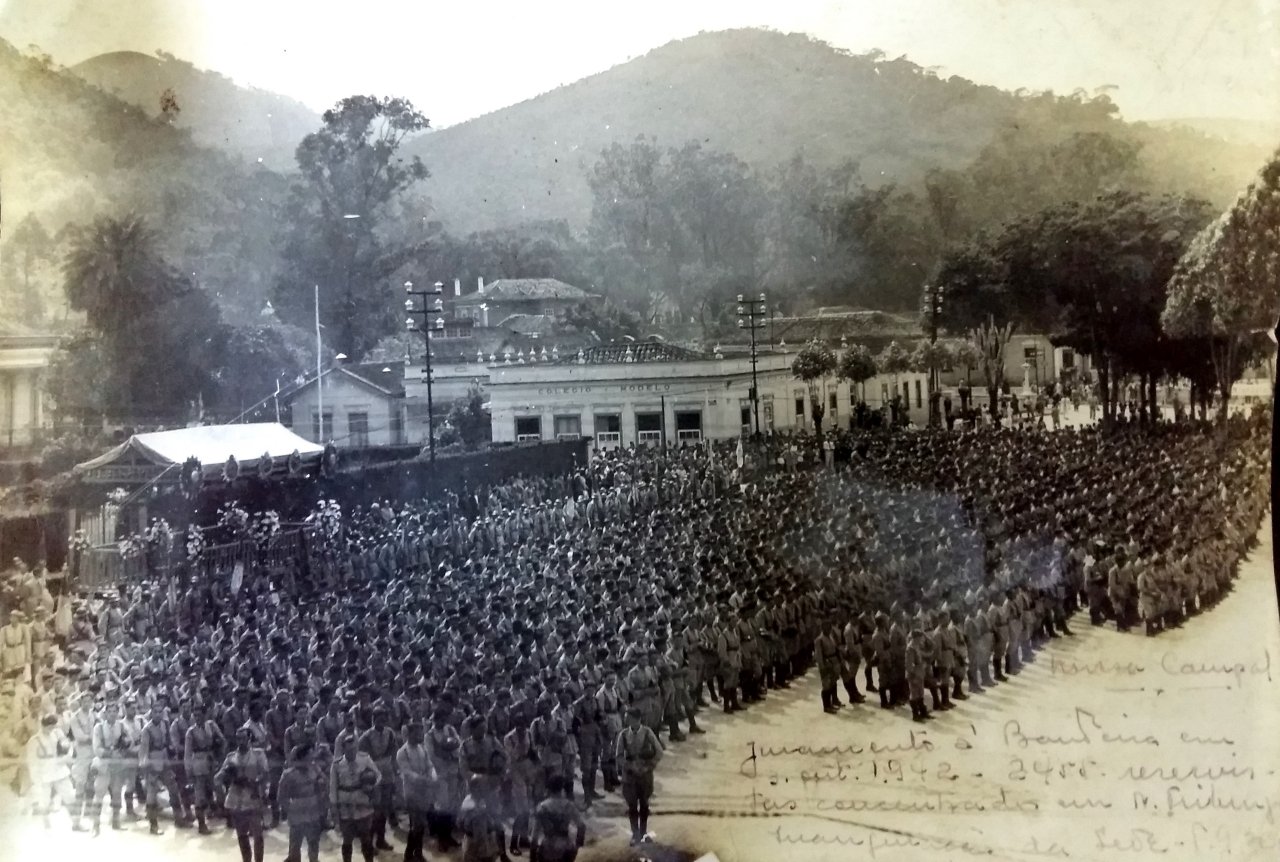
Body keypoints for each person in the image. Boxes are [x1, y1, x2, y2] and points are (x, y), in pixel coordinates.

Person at [217, 727, 270, 862]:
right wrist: (227, 775)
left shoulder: (258, 754)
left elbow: (265, 774)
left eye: (243, 738)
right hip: (236, 801)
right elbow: (218, 778)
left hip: (253, 798)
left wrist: (253, 782)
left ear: (249, 739)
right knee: (242, 835)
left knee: (258, 835)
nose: (240, 741)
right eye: (238, 738)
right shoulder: (231, 757)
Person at [330, 732, 380, 862]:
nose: (352, 752)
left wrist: (372, 786)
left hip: (363, 803)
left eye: (354, 749)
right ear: (343, 749)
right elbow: (333, 788)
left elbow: (378, 775)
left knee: (366, 837)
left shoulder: (365, 759)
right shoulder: (337, 765)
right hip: (346, 806)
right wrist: (335, 809)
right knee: (347, 839)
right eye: (349, 749)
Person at [615, 707, 661, 846]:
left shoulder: (647, 732)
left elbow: (659, 752)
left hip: (645, 775)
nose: (626, 720)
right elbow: (618, 756)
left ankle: (644, 832)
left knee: (645, 804)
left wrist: (649, 766)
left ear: (637, 719)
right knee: (632, 806)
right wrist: (629, 767)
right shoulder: (623, 735)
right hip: (630, 776)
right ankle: (635, 834)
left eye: (629, 718)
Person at [278, 742, 327, 862]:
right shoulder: (288, 774)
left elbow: (324, 782)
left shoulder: (315, 769)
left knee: (314, 843)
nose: (312, 758)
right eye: (310, 755)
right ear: (302, 757)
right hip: (297, 814)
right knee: (295, 846)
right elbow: (281, 797)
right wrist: (290, 810)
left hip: (313, 812)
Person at [397, 721, 435, 862]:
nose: (420, 735)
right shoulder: (402, 752)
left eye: (421, 732)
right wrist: (424, 780)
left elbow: (429, 765)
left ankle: (417, 852)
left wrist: (431, 776)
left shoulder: (422, 748)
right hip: (412, 793)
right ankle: (409, 854)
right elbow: (407, 773)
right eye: (417, 733)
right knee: (416, 825)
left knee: (420, 826)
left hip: (424, 792)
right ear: (410, 734)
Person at [530, 775, 586, 862]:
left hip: (548, 849)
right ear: (562, 789)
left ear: (548, 789)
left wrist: (532, 856)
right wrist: (578, 845)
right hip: (566, 848)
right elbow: (582, 826)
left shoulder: (542, 807)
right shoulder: (569, 805)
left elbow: (534, 835)